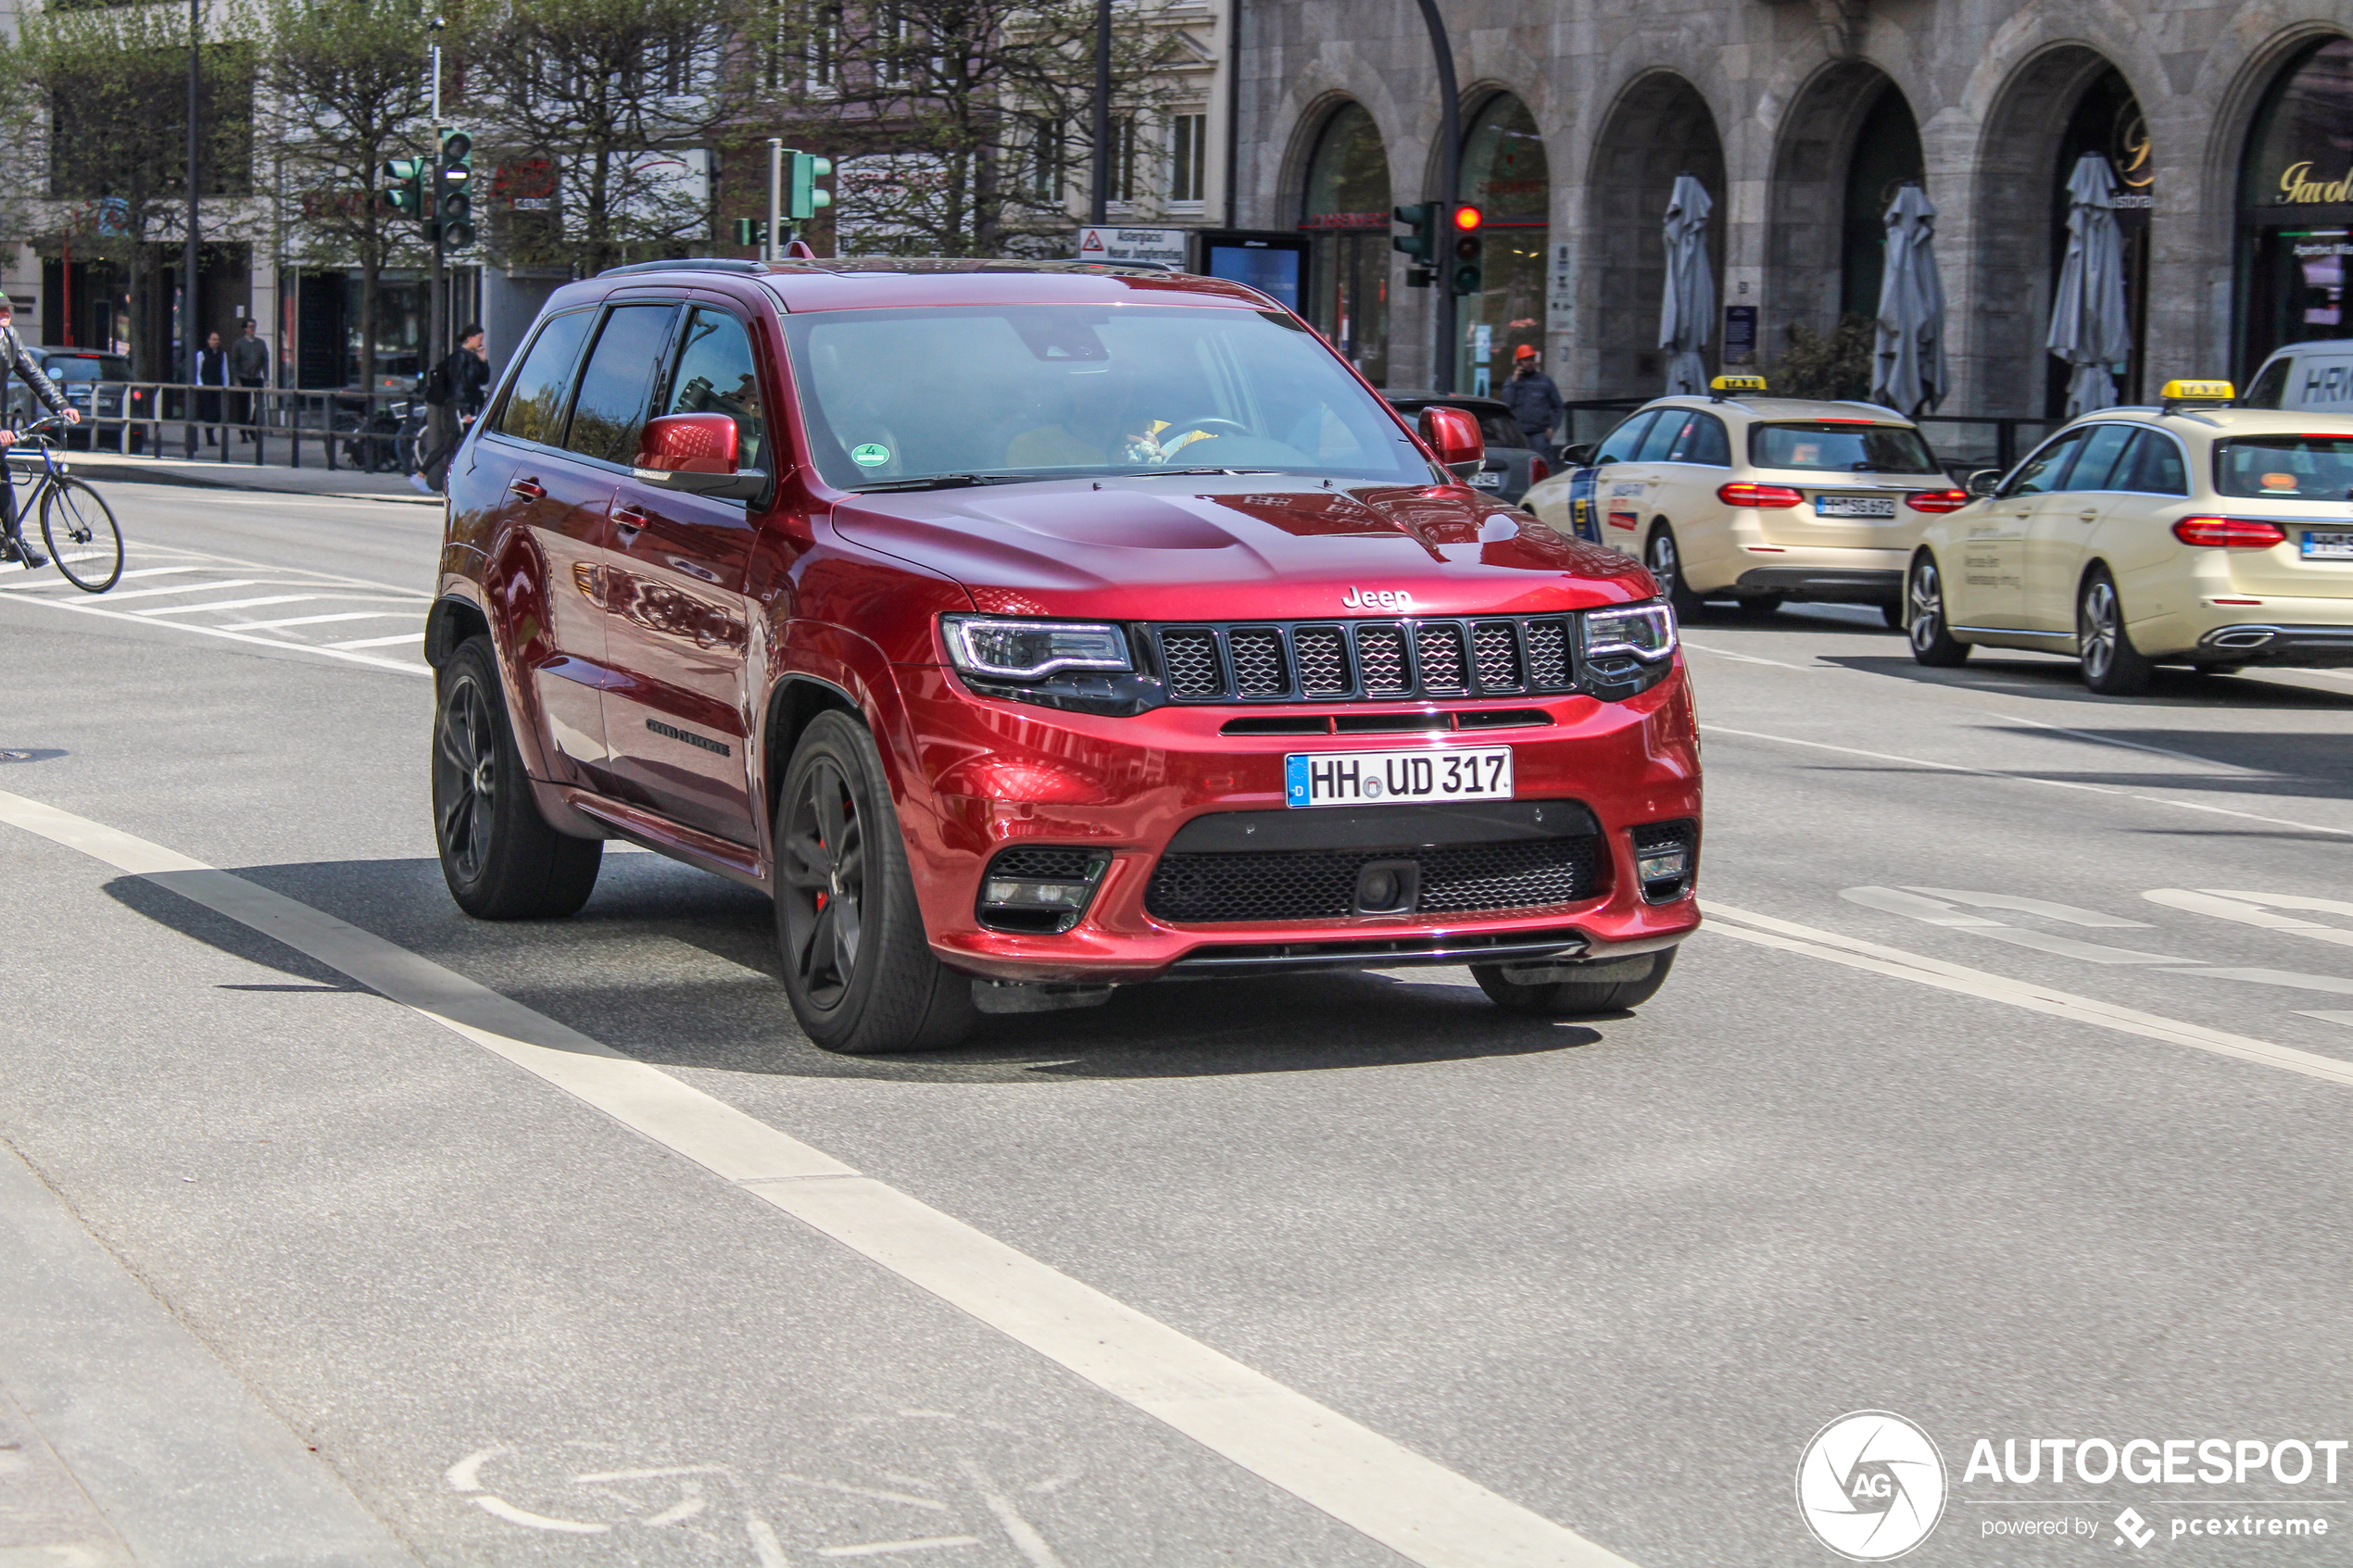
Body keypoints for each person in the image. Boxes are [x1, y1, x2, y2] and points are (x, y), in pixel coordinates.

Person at [0, 298, 82, 569]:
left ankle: (13, 542)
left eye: (7, 309)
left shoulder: (10, 337)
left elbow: (33, 372)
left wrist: (61, 404)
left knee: (2, 475)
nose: (5, 313)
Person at [413, 324, 491, 495]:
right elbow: (458, 386)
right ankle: (424, 475)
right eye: (479, 338)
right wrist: (465, 411)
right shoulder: (459, 358)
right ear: (470, 338)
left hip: (465, 406)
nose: (481, 341)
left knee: (456, 444)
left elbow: (483, 379)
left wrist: (483, 360)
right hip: (457, 407)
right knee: (453, 444)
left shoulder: (471, 357)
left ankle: (424, 475)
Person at [1501, 343, 1564, 462]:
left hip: (1539, 432)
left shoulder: (1545, 381)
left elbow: (1558, 406)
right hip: (1518, 433)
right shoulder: (1511, 382)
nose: (1529, 362)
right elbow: (1506, 404)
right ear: (1519, 362)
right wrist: (1514, 384)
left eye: (1531, 359)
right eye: (1525, 360)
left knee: (1541, 463)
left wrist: (1553, 427)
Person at [228, 319, 270, 443]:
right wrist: (236, 379)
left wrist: (266, 377)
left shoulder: (260, 343)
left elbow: (265, 360)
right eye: (250, 327)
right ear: (245, 329)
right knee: (243, 406)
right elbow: (234, 362)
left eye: (254, 326)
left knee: (260, 404)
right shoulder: (239, 343)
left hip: (256, 377)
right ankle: (243, 432)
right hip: (243, 377)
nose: (253, 329)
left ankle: (253, 425)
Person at [188, 330, 228, 454]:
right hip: (207, 386)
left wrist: (226, 385)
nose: (216, 342)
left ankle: (211, 432)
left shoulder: (222, 354)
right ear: (208, 341)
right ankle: (210, 437)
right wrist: (200, 384)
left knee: (217, 412)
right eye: (214, 339)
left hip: (218, 385)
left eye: (217, 339)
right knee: (209, 412)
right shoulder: (202, 354)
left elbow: (224, 371)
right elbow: (198, 370)